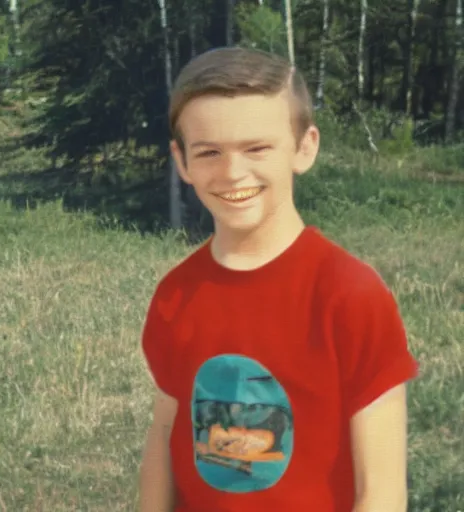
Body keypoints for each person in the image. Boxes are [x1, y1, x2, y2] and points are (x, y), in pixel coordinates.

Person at [138, 46, 419, 512]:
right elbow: (165, 438)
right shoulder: (176, 294)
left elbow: (382, 489)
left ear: (304, 147)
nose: (232, 173)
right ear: (182, 161)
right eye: (209, 152)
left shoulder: (350, 294)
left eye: (256, 148)